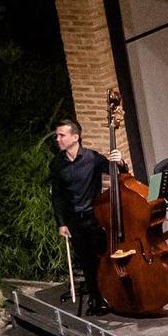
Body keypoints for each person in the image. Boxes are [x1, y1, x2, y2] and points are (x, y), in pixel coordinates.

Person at [49, 116, 121, 314]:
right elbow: (57, 196)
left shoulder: (92, 158)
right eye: (57, 136)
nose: (58, 139)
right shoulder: (57, 164)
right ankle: (96, 300)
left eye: (62, 135)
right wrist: (61, 223)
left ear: (75, 137)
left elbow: (117, 172)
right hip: (74, 221)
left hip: (95, 218)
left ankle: (111, 295)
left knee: (102, 259)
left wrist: (119, 161)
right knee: (86, 263)